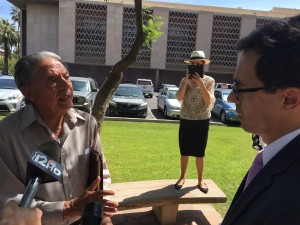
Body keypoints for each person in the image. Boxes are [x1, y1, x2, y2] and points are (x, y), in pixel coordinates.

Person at [0, 51, 118, 225]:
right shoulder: (7, 134)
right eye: (53, 81)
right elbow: (8, 201)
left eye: (67, 77)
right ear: (29, 93)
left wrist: (103, 215)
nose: (66, 86)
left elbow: (101, 176)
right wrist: (67, 208)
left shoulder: (87, 124)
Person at [221, 14, 300, 225]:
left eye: (239, 88)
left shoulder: (293, 207)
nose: (230, 98)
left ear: (289, 98)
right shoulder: (278, 152)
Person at [175, 50, 215, 193]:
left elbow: (208, 100)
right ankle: (182, 177)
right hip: (186, 118)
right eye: (193, 64)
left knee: (200, 152)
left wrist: (201, 84)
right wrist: (186, 82)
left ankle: (200, 180)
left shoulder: (209, 81)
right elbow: (179, 97)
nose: (196, 65)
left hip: (202, 119)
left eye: (198, 63)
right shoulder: (183, 80)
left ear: (203, 64)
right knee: (184, 150)